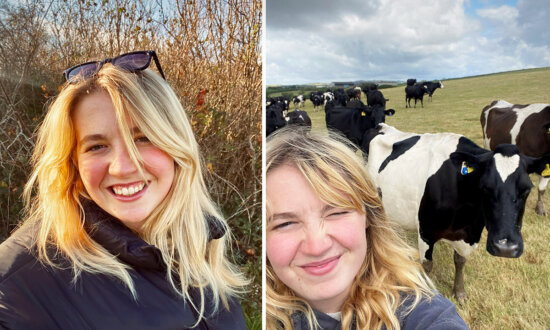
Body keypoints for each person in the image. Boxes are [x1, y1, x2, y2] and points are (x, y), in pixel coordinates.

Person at [0, 51, 247, 329]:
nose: (122, 167)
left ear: (177, 147)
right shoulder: (15, 289)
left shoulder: (199, 243)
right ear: (72, 162)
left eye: (143, 138)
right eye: (97, 146)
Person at [265, 127, 468, 330]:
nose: (317, 246)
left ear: (368, 216)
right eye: (285, 224)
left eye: (337, 212)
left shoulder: (422, 313)